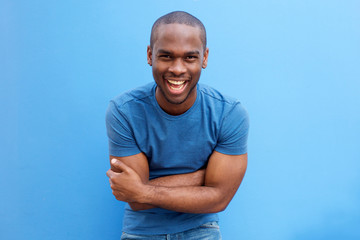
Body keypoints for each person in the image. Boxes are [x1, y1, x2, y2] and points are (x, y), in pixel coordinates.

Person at [106, 11, 249, 240]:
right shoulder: (124, 111)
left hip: (202, 230)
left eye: (190, 57)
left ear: (204, 58)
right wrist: (202, 179)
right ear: (150, 55)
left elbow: (220, 199)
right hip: (141, 232)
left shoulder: (228, 113)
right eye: (166, 56)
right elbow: (134, 200)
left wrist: (144, 190)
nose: (178, 69)